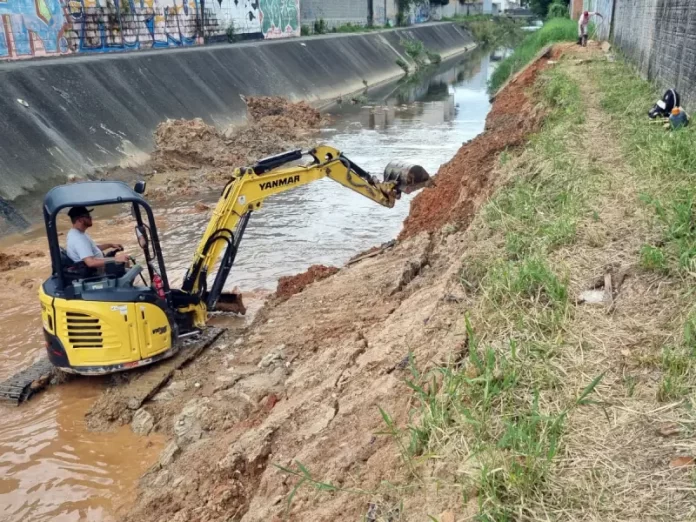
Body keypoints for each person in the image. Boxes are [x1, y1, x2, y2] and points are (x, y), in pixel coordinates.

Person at [65, 206, 129, 269]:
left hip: (97, 266)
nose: (91, 217)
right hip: (96, 273)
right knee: (124, 261)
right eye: (87, 216)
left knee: (124, 259)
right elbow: (91, 263)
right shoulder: (78, 239)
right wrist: (116, 259)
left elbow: (92, 249)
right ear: (80, 220)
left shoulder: (76, 233)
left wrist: (110, 245)